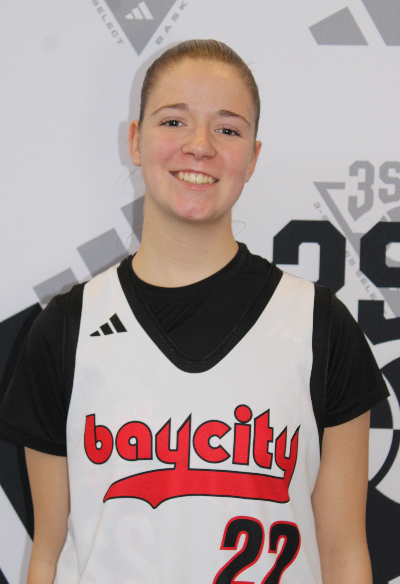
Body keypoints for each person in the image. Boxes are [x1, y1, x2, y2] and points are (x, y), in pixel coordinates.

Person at [0, 39, 389, 584]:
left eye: (228, 129)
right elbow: (48, 551)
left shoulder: (319, 326)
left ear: (253, 157)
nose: (200, 146)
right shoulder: (67, 328)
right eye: (173, 122)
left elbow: (344, 555)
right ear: (135, 141)